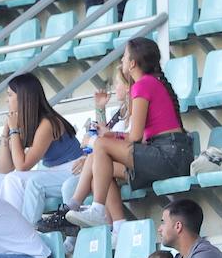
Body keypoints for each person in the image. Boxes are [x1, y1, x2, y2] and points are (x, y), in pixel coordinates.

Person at [55, 39, 190, 234]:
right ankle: (116, 228)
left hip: (169, 155)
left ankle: (88, 209)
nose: (122, 62)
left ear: (133, 63)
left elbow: (135, 137)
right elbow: (140, 138)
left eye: (125, 57)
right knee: (99, 163)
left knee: (100, 146)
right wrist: (110, 135)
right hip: (168, 153)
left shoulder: (142, 85)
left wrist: (103, 138)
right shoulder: (150, 83)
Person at [0, 73, 83, 223]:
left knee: (13, 179)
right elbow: (5, 170)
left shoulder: (48, 123)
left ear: (23, 98)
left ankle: (16, 230)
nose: (6, 100)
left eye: (10, 95)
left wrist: (14, 131)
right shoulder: (26, 122)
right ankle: (2, 226)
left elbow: (22, 166)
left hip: (74, 169)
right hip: (54, 171)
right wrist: (6, 134)